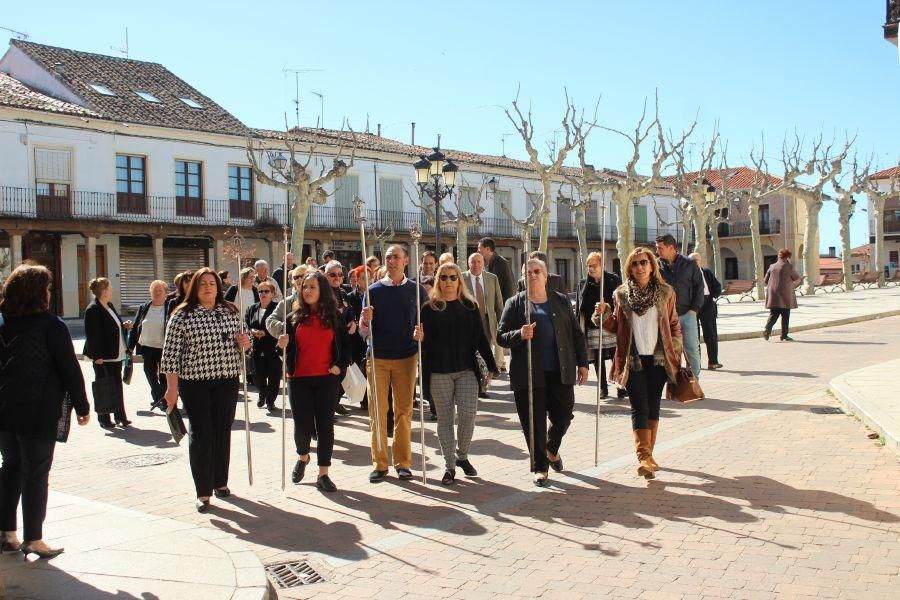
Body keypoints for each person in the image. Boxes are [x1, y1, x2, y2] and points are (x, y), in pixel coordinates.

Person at [0, 264, 90, 560]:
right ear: (39, 292)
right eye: (47, 288)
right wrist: (82, 405)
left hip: (5, 411)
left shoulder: (3, 324)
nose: (50, 293)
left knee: (11, 467)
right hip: (37, 410)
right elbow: (69, 369)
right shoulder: (52, 325)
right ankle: (34, 538)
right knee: (36, 473)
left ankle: (7, 533)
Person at [161, 269, 251, 513]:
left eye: (212, 283)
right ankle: (203, 490)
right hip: (195, 382)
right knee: (201, 434)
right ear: (194, 288)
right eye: (203, 284)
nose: (208, 288)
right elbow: (170, 356)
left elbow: (246, 340)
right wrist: (172, 388)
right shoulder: (182, 316)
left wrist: (246, 342)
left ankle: (220, 481)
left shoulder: (230, 311)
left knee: (222, 431)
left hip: (227, 379)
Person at [497, 258, 589, 487]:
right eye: (528, 272)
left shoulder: (560, 301)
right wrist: (520, 333)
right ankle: (540, 467)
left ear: (546, 276)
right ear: (522, 277)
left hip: (561, 370)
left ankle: (550, 449)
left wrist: (583, 363)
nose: (533, 275)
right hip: (528, 375)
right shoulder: (514, 304)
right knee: (533, 423)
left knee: (564, 415)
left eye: (537, 271)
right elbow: (500, 336)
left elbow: (576, 335)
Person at [594, 247, 683, 480]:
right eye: (635, 264)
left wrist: (674, 347)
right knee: (639, 407)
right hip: (631, 360)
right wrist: (603, 315)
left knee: (653, 406)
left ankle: (649, 457)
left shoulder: (666, 292)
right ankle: (643, 457)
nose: (640, 267)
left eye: (644, 262)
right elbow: (615, 327)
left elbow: (674, 324)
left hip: (658, 359)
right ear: (629, 269)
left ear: (652, 265)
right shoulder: (621, 294)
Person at [416, 263, 497, 485]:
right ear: (438, 280)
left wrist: (492, 366)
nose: (448, 281)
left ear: (459, 281)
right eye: (444, 277)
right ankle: (450, 464)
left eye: (453, 277)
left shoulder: (470, 306)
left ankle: (463, 455)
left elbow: (481, 338)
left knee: (468, 415)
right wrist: (419, 339)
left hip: (466, 370)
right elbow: (423, 345)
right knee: (445, 419)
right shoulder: (428, 309)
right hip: (439, 372)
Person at [277, 271, 351, 492]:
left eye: (312, 287)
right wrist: (281, 345)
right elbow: (284, 349)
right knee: (302, 425)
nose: (307, 291)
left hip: (326, 379)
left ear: (322, 291)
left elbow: (346, 347)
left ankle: (323, 473)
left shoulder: (334, 317)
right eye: (305, 287)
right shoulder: (293, 317)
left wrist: (340, 366)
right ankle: (303, 457)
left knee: (325, 427)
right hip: (298, 378)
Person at [359, 245, 426, 483]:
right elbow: (362, 330)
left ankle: (403, 463)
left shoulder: (416, 291)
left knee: (403, 412)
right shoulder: (373, 290)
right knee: (377, 411)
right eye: (388, 257)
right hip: (377, 357)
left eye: (396, 257)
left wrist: (421, 334)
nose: (392, 261)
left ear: (406, 260)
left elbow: (424, 323)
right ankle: (379, 463)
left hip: (407, 357)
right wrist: (365, 321)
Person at [83, 277, 133, 429]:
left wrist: (123, 326)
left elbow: (113, 326)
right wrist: (97, 356)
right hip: (103, 357)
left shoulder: (109, 305)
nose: (111, 290)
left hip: (115, 354)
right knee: (104, 387)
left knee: (117, 385)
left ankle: (120, 416)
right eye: (110, 287)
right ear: (104, 290)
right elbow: (92, 335)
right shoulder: (93, 309)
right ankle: (104, 418)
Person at [655, 234, 704, 379]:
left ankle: (694, 382)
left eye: (660, 248)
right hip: (667, 317)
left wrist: (694, 310)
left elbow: (699, 287)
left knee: (692, 350)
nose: (657, 251)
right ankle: (675, 382)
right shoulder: (656, 266)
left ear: (671, 248)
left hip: (687, 315)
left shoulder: (690, 264)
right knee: (670, 352)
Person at [575, 251, 622, 399]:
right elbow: (580, 306)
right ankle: (603, 388)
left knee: (617, 355)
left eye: (594, 265)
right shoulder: (583, 283)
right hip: (593, 325)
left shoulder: (613, 279)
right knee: (598, 358)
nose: (591, 269)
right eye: (589, 266)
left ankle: (620, 385)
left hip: (611, 324)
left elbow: (619, 301)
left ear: (602, 265)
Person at [462, 252, 504, 399]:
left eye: (479, 262)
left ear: (484, 263)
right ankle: (474, 385)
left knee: (486, 354)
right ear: (469, 263)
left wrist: (502, 322)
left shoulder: (492, 278)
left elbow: (498, 303)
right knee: (473, 354)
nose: (476, 265)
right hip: (469, 324)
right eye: (473, 262)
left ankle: (484, 387)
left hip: (487, 321)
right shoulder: (461, 278)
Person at [128, 280, 170, 412]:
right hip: (147, 346)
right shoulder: (144, 307)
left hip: (164, 347)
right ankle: (160, 397)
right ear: (150, 293)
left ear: (165, 293)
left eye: (159, 291)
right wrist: (130, 346)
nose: (157, 293)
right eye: (154, 291)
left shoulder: (170, 307)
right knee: (149, 373)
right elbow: (135, 327)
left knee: (163, 376)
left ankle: (162, 399)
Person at [325, 260, 358, 416]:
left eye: (339, 275)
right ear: (326, 276)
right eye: (333, 274)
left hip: (344, 341)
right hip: (329, 342)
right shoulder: (322, 294)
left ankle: (335, 403)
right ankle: (328, 410)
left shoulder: (343, 293)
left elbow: (350, 313)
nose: (337, 277)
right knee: (331, 377)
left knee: (343, 374)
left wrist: (353, 322)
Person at [478, 237, 515, 372]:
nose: (478, 251)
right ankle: (499, 364)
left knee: (497, 335)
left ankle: (499, 364)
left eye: (480, 249)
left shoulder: (501, 263)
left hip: (500, 307)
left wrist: (504, 309)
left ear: (488, 249)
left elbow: (509, 287)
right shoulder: (488, 263)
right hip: (491, 307)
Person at [247, 281, 281, 411]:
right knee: (257, 376)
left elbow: (280, 325)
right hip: (256, 347)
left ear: (272, 294)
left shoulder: (277, 308)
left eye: (266, 291)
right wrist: (252, 331)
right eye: (260, 291)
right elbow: (246, 324)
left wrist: (266, 332)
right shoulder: (252, 308)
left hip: (273, 347)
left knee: (274, 377)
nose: (263, 294)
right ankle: (262, 393)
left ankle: (270, 401)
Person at [688, 253, 723, 369]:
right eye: (691, 261)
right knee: (694, 336)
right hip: (692, 306)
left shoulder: (706, 272)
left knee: (711, 334)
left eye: (695, 260)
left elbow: (717, 286)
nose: (693, 263)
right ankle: (696, 363)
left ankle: (713, 362)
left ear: (700, 261)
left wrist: (712, 297)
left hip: (707, 304)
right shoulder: (686, 275)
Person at [346, 266, 371, 411]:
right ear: (357, 280)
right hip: (355, 339)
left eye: (369, 278)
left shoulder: (374, 295)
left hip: (369, 338)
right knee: (358, 369)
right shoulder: (350, 297)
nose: (366, 281)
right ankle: (361, 398)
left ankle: (367, 399)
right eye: (363, 278)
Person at [764, 248, 802, 341]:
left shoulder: (772, 266)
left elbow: (765, 280)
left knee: (774, 313)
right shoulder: (789, 267)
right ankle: (784, 335)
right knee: (785, 314)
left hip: (773, 294)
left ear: (779, 256)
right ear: (788, 257)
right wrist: (794, 285)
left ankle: (767, 329)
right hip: (785, 294)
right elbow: (797, 278)